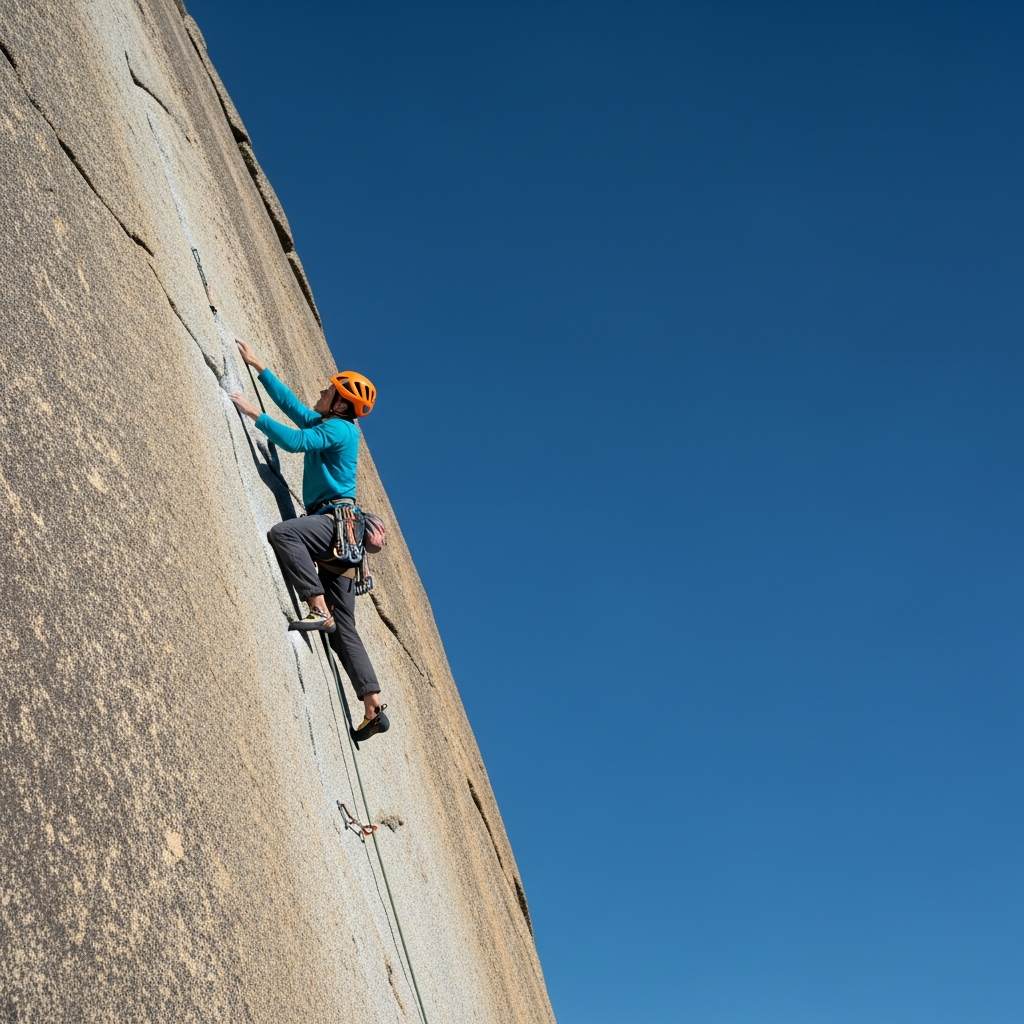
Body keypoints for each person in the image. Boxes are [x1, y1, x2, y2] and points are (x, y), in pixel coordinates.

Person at [228, 339, 388, 741]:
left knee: (284, 535)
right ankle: (372, 705)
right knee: (346, 629)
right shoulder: (333, 425)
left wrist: (253, 414)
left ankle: (318, 608)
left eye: (328, 389)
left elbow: (297, 441)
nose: (321, 391)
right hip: (345, 543)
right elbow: (298, 413)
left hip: (334, 524)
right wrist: (260, 367)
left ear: (339, 403)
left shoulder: (337, 428)